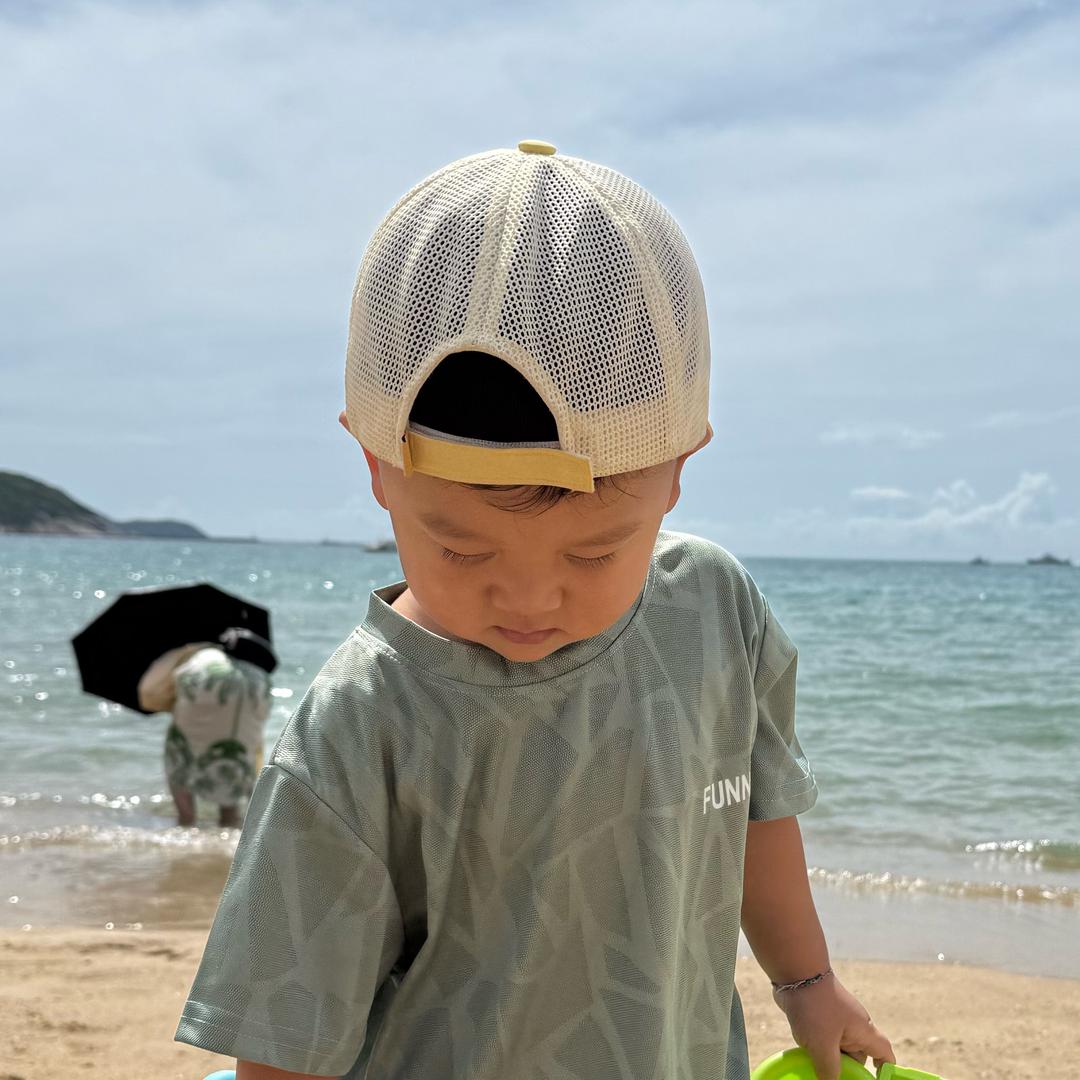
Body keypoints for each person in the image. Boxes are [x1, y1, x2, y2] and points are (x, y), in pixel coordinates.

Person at [175, 141, 895, 1079]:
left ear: (678, 471)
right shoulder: (361, 724)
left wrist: (807, 983)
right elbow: (287, 1042)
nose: (526, 597)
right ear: (375, 472)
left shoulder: (716, 610)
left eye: (594, 551)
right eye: (459, 547)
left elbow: (753, 815)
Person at [137, 627, 275, 827]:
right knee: (229, 784)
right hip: (238, 737)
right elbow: (261, 717)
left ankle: (186, 823)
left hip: (190, 728)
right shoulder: (260, 677)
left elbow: (154, 690)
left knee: (182, 769)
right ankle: (227, 832)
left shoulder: (200, 655)